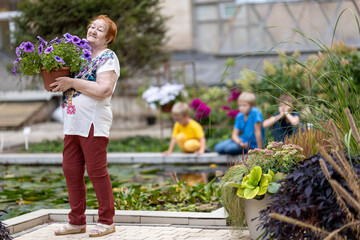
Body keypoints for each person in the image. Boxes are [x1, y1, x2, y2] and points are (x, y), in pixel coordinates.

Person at [50, 15, 120, 237]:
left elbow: (103, 90)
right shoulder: (78, 55)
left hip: (92, 120)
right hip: (72, 122)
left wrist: (70, 82)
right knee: (71, 170)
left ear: (108, 38)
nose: (93, 30)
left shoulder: (108, 57)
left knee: (97, 171)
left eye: (100, 29)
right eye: (92, 26)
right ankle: (76, 221)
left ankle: (107, 222)